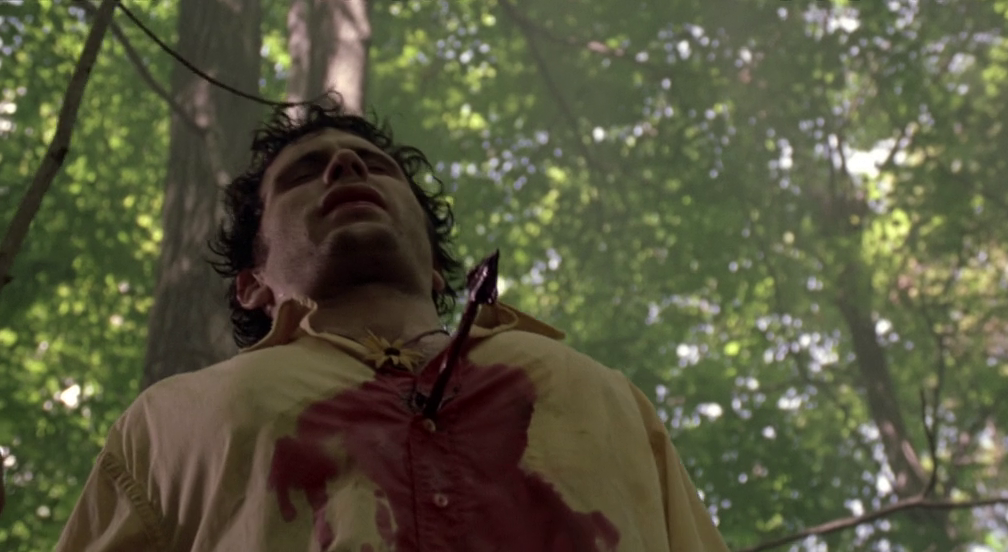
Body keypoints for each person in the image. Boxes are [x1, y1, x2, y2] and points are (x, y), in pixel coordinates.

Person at [55, 97, 731, 552]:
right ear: (253, 282)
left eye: (375, 166)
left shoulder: (604, 397)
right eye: (303, 175)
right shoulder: (167, 425)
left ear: (437, 267)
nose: (346, 166)